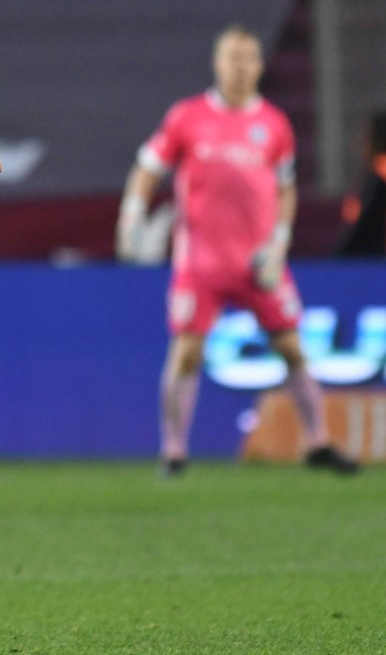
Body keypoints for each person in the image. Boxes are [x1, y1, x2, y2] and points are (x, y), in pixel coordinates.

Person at [116, 24, 359, 477]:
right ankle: (173, 451)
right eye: (233, 57)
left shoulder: (274, 124)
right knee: (187, 353)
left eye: (248, 58)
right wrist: (131, 215)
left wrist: (279, 243)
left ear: (260, 65)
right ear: (218, 63)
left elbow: (285, 189)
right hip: (201, 262)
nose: (240, 66)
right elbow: (147, 169)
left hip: (258, 261)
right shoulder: (187, 117)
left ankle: (318, 442)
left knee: (292, 349)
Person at [334, 110, 386, 257]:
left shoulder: (379, 178)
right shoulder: (372, 175)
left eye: (366, 136)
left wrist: (339, 258)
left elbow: (365, 227)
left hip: (373, 262)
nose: (362, 142)